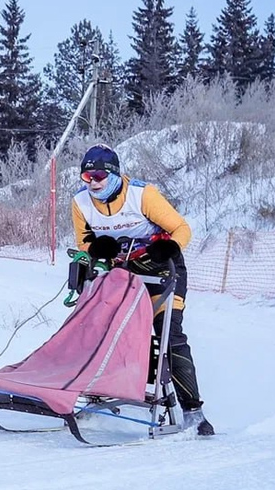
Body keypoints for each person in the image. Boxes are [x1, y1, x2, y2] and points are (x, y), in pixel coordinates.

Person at [70, 143, 214, 436]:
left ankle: (193, 411)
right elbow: (84, 241)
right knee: (102, 329)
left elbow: (181, 228)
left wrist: (168, 247)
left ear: (113, 174)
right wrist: (98, 248)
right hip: (122, 271)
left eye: (98, 176)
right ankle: (97, 392)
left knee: (168, 335)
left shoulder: (142, 194)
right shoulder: (80, 202)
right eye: (87, 178)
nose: (93, 184)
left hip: (162, 269)